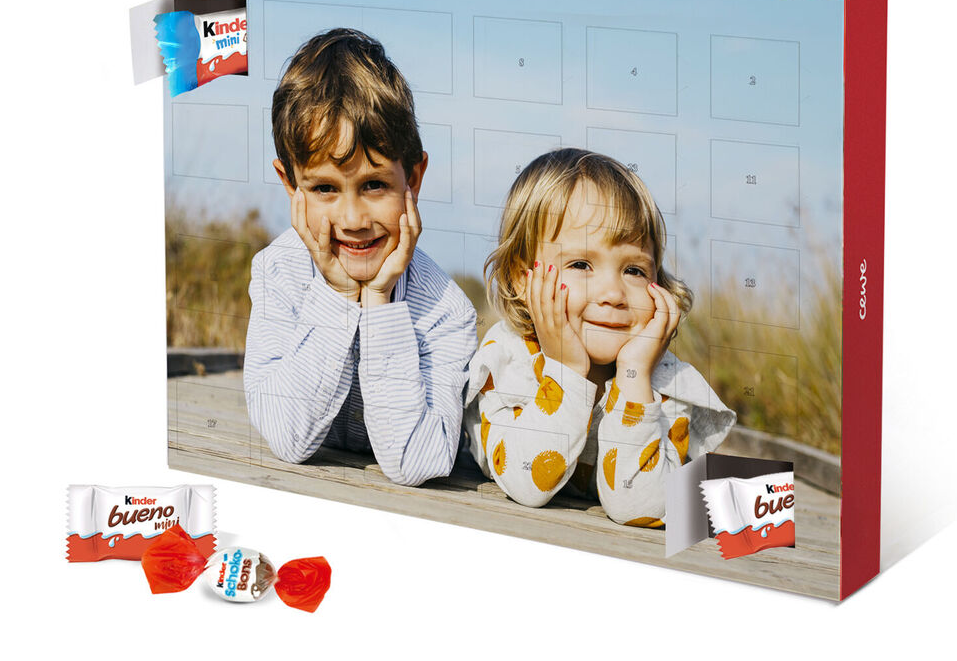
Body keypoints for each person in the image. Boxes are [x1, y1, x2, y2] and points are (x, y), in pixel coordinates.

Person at [245, 28, 477, 487]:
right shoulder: (277, 272)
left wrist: (378, 301)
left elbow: (418, 461)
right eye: (325, 189)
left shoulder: (447, 312)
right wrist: (337, 294)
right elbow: (288, 437)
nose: (352, 219)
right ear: (291, 185)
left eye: (374, 185)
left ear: (413, 178)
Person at [463, 148, 735, 526]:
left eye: (634, 270)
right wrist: (566, 370)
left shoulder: (663, 381)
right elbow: (528, 483)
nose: (613, 293)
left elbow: (644, 508)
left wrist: (634, 377)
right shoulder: (508, 360)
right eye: (580, 264)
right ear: (521, 280)